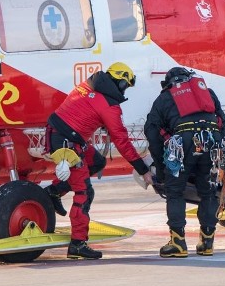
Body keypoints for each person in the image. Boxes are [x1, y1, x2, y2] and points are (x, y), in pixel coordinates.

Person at [45, 62, 153, 260]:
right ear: (120, 83)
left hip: (61, 135)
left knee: (96, 162)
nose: (125, 90)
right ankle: (78, 244)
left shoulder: (89, 85)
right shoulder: (109, 106)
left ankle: (53, 192)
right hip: (67, 144)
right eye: (126, 85)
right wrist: (142, 168)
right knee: (85, 192)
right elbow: (122, 141)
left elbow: (85, 110)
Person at [145, 67, 225, 258]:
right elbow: (222, 120)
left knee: (175, 192)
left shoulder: (165, 97)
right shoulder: (206, 91)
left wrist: (161, 166)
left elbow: (152, 131)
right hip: (212, 142)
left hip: (182, 143)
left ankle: (178, 243)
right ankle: (207, 242)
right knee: (208, 192)